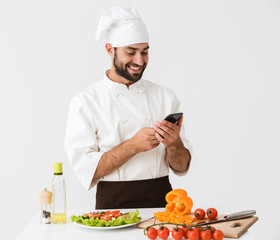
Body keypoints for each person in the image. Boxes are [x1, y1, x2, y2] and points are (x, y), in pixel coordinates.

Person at [64, 6, 192, 209]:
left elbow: (182, 167)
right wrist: (133, 145)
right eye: (130, 52)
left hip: (163, 203)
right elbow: (86, 170)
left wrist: (174, 144)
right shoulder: (85, 102)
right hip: (112, 204)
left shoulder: (166, 97)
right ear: (109, 49)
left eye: (144, 52)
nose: (139, 61)